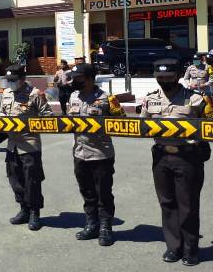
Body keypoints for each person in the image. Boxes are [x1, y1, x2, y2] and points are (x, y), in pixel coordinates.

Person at [140, 59, 212, 266]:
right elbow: (142, 125)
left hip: (187, 156)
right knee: (167, 203)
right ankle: (174, 247)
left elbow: (209, 125)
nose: (164, 82)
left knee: (188, 205)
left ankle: (191, 250)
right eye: (160, 78)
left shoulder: (195, 99)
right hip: (161, 156)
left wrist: (204, 145)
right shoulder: (150, 99)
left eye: (168, 78)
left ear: (178, 76)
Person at [67, 63, 123, 247]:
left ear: (91, 79)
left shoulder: (107, 99)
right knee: (87, 192)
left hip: (101, 154)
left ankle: (106, 227)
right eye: (74, 79)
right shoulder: (74, 96)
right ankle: (92, 224)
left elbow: (122, 123)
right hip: (80, 153)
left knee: (103, 193)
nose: (75, 82)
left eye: (79, 79)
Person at [0, 64, 53, 231]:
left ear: (23, 79)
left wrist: (29, 125)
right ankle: (24, 209)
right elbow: (2, 114)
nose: (10, 84)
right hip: (12, 145)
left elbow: (48, 117)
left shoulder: (35, 94)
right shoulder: (6, 93)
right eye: (9, 81)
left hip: (29, 145)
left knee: (32, 180)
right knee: (15, 179)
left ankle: (35, 212)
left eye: (13, 80)